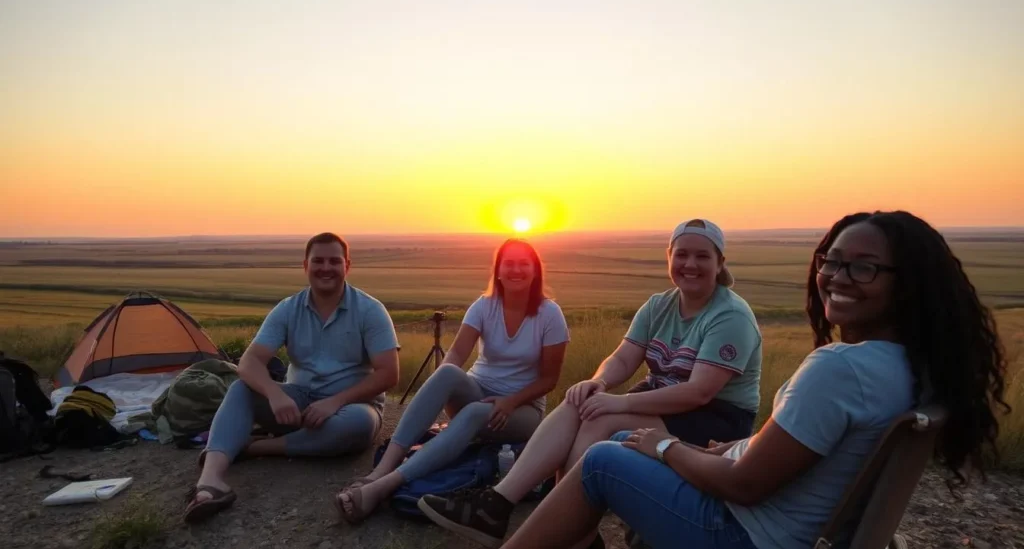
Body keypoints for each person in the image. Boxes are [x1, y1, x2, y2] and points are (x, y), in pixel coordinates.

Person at [494, 210, 1011, 549]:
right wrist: (737, 447)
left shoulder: (840, 368)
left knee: (606, 460)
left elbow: (745, 485)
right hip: (789, 525)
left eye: (864, 268)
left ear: (908, 285)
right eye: (830, 261)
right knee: (621, 437)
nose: (834, 277)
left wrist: (665, 450)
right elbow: (794, 452)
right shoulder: (909, 367)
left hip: (744, 535)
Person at [420, 218, 763, 548]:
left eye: (702, 256)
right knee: (579, 402)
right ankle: (497, 504)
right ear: (669, 257)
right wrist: (597, 383)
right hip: (662, 400)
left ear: (720, 263)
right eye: (682, 254)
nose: (690, 264)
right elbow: (624, 358)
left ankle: (567, 531)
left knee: (603, 417)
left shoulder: (729, 315)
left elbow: (699, 391)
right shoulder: (660, 305)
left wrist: (620, 402)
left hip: (716, 416)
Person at [333, 238, 570, 524]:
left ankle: (385, 486)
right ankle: (378, 472)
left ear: (535, 271)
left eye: (524, 264)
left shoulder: (549, 314)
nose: (516, 270)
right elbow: (457, 352)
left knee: (473, 412)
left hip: (522, 409)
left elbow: (549, 379)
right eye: (509, 263)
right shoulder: (484, 306)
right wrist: (443, 387)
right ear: (498, 270)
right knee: (446, 372)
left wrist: (510, 401)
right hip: (476, 392)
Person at [183, 232, 401, 523]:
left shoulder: (370, 310)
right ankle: (211, 482)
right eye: (318, 261)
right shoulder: (288, 309)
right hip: (297, 400)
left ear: (347, 265)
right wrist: (275, 394)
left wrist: (335, 402)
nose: (326, 268)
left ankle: (256, 447)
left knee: (358, 425)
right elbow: (249, 362)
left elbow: (389, 373)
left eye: (334, 261)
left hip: (353, 406)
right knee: (240, 390)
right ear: (305, 265)